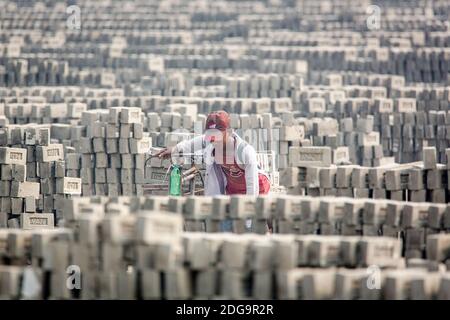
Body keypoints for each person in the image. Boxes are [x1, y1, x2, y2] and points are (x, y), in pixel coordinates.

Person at [156, 110, 271, 197]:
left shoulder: (244, 151)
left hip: (258, 187)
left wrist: (250, 221)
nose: (214, 139)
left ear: (229, 132)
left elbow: (253, 187)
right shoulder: (211, 142)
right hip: (235, 189)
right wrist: (175, 149)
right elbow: (193, 143)